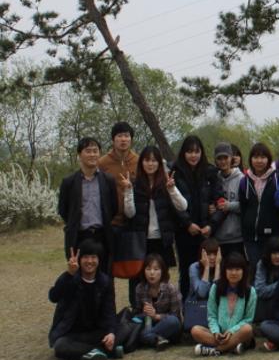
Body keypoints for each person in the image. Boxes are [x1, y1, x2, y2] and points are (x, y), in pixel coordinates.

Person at [122, 145, 187, 305]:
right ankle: (138, 311)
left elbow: (183, 206)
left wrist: (172, 189)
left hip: (161, 240)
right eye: (147, 160)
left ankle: (162, 311)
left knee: (161, 280)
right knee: (138, 280)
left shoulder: (166, 183)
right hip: (141, 241)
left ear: (159, 163)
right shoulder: (135, 185)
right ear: (141, 163)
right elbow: (129, 213)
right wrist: (128, 191)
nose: (150, 164)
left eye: (154, 160)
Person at [48, 240, 120, 360]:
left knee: (119, 330)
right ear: (79, 259)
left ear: (99, 260)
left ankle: (97, 350)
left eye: (93, 257)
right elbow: (53, 296)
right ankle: (102, 351)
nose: (89, 261)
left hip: (95, 332)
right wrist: (69, 274)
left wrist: (111, 333)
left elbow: (110, 311)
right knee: (60, 347)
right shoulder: (71, 278)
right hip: (72, 332)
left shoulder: (105, 282)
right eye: (85, 257)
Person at [172, 135, 225, 299]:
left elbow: (220, 202)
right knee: (186, 271)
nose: (193, 155)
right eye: (189, 152)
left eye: (197, 151)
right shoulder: (176, 173)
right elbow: (172, 203)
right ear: (183, 153)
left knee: (209, 271)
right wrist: (187, 223)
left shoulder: (210, 172)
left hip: (206, 233)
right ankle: (187, 307)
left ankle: (211, 307)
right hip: (184, 232)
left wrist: (211, 225)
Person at [57, 137, 118, 273]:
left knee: (105, 276)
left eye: (95, 151)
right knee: (79, 277)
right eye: (88, 151)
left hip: (102, 236)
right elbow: (63, 210)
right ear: (80, 154)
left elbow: (113, 208)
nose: (92, 155)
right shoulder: (69, 182)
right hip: (79, 237)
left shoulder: (108, 180)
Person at [191, 251, 256, 356]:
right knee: (195, 330)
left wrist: (231, 331)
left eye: (237, 269)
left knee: (248, 329)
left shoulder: (250, 291)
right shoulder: (216, 287)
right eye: (230, 269)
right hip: (219, 334)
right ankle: (232, 347)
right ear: (224, 270)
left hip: (238, 333)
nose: (233, 273)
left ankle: (216, 350)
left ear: (243, 271)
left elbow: (248, 319)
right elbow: (212, 315)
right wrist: (216, 332)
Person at [239, 143, 279, 266]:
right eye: (256, 157)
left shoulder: (277, 178)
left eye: (263, 157)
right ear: (251, 159)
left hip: (272, 237)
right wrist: (244, 233)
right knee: (255, 268)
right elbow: (243, 209)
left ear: (268, 159)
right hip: (251, 237)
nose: (259, 161)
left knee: (270, 269)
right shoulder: (244, 181)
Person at [133, 252, 182, 350]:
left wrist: (156, 316)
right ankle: (157, 339)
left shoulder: (171, 289)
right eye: (148, 269)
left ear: (162, 271)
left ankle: (147, 337)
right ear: (143, 271)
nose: (152, 273)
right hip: (149, 324)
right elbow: (137, 312)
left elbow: (176, 316)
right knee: (137, 322)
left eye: (156, 269)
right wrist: (144, 312)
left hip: (167, 326)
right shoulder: (140, 288)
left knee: (173, 321)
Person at [97, 121, 138, 226]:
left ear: (131, 139)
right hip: (111, 221)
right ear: (113, 139)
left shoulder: (138, 161)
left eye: (126, 136)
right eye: (119, 136)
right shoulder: (102, 163)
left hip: (135, 220)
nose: (123, 139)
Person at [212, 142, 245, 259]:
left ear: (231, 158)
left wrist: (229, 206)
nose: (223, 161)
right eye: (219, 158)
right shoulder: (213, 179)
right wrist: (211, 208)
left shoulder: (242, 179)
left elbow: (248, 205)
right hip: (217, 237)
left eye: (225, 158)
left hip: (237, 237)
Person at [253, 235, 279, 323]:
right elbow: (260, 290)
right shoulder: (262, 264)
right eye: (274, 253)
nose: (278, 256)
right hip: (266, 304)